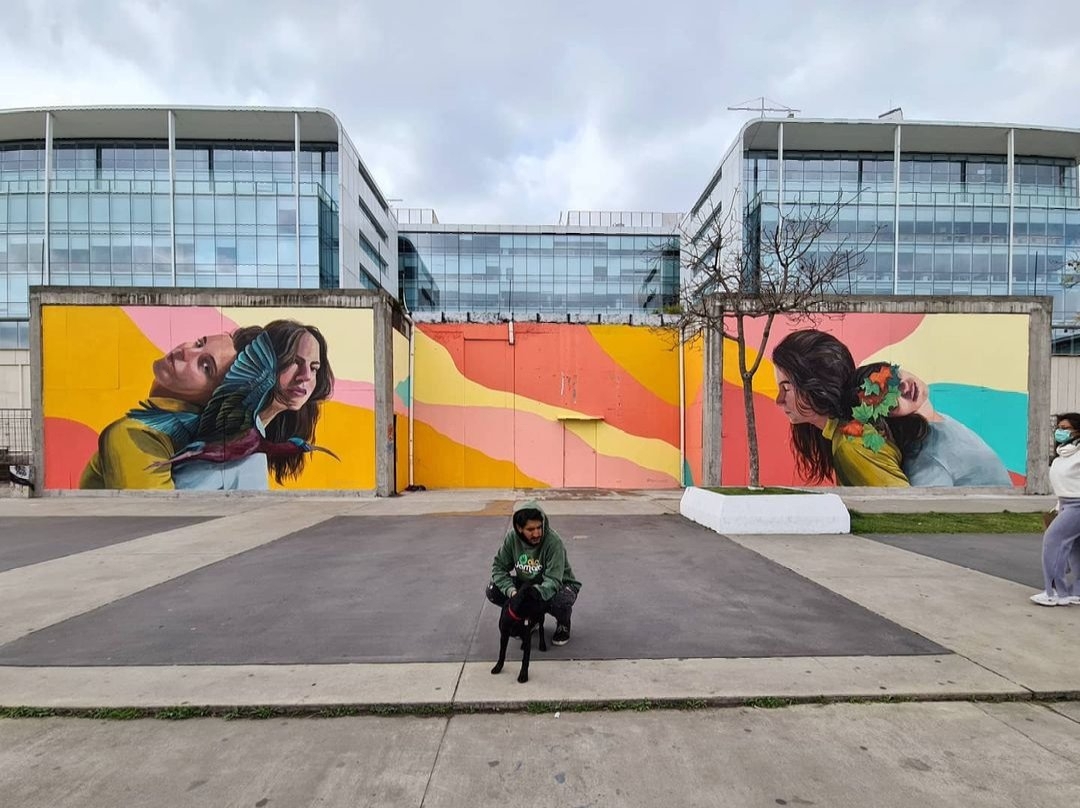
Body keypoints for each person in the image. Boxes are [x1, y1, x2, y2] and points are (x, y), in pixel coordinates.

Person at [171, 319, 335, 489]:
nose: (306, 375)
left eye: (314, 368)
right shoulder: (249, 455)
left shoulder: (250, 437)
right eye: (295, 362)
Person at [79, 332, 243, 489]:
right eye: (199, 343)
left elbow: (152, 516)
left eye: (206, 367)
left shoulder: (137, 435)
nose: (186, 352)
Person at [771, 329, 912, 486]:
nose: (779, 400)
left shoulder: (852, 446)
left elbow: (905, 506)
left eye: (787, 389)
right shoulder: (844, 437)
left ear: (818, 388)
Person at [857, 361, 1012, 487]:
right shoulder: (925, 459)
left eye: (893, 377)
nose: (902, 387)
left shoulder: (937, 421)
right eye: (888, 398)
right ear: (886, 417)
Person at [486, 501, 582, 646]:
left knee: (560, 600)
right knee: (493, 590)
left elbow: (553, 580)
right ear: (519, 528)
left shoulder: (553, 542)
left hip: (560, 585)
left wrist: (530, 595)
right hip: (527, 585)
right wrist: (513, 593)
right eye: (530, 529)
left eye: (539, 527)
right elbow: (498, 568)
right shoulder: (512, 539)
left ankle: (563, 622)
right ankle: (533, 619)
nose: (537, 533)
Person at [1030, 413, 1080, 606]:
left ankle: (1055, 592)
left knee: (1054, 541)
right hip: (1066, 503)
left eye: (1065, 428)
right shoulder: (1063, 453)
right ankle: (1076, 591)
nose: (1060, 431)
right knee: (1076, 548)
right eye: (1058, 427)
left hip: (1077, 505)